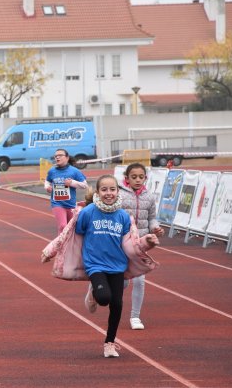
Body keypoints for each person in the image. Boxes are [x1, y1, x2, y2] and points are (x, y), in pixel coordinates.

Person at [75, 174, 158, 358]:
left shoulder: (123, 217)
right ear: (97, 192)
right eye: (104, 189)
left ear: (118, 191)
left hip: (117, 265)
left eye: (112, 189)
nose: (108, 193)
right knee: (104, 298)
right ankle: (95, 292)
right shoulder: (88, 213)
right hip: (95, 264)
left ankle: (110, 343)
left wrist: (148, 242)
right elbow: (77, 234)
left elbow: (131, 243)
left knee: (117, 304)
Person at [119, 163, 164, 330]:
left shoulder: (150, 197)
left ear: (146, 178)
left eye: (141, 177)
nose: (138, 180)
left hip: (141, 244)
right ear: (127, 178)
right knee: (122, 282)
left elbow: (152, 218)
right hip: (122, 242)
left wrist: (155, 228)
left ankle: (135, 317)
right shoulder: (120, 196)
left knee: (139, 280)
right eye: (134, 177)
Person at [45, 149, 88, 233]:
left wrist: (72, 182)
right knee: (62, 226)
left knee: (71, 229)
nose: (57, 157)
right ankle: (60, 245)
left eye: (60, 155)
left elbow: (85, 185)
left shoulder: (74, 171)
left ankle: (68, 245)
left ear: (67, 158)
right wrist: (47, 187)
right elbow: (47, 181)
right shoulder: (52, 171)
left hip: (71, 204)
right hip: (57, 203)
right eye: (56, 156)